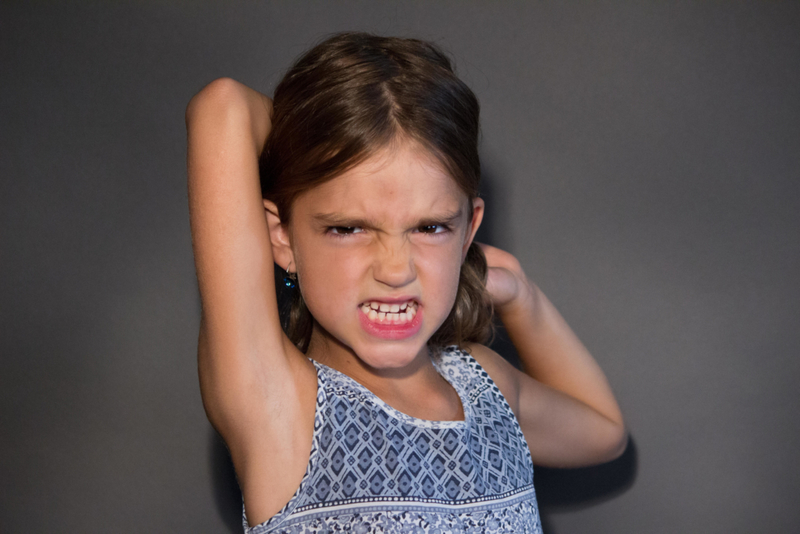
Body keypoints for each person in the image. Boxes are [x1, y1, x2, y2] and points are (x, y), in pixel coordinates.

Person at [186, 32, 626, 534]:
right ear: (282, 238)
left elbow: (602, 430)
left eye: (430, 227)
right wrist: (322, 135)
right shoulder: (279, 408)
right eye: (347, 228)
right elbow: (222, 107)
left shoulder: (483, 384)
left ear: (468, 232)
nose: (395, 270)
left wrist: (523, 296)